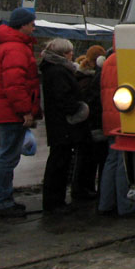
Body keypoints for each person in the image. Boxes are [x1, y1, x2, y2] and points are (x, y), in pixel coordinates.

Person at [0, 8, 41, 218]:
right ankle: (2, 202)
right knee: (8, 156)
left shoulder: (9, 46)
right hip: (12, 113)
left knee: (7, 155)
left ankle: (4, 199)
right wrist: (25, 111)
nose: (33, 27)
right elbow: (15, 85)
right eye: (31, 23)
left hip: (6, 111)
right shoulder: (16, 49)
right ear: (22, 25)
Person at [39, 38, 89, 214]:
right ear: (62, 54)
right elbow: (63, 97)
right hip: (64, 123)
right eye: (69, 52)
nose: (72, 55)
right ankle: (55, 202)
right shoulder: (59, 71)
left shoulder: (51, 69)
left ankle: (55, 200)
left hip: (58, 122)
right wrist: (79, 108)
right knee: (59, 163)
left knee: (59, 161)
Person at [97, 50, 135, 217]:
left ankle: (105, 204)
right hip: (124, 118)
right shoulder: (128, 58)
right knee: (124, 163)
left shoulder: (109, 61)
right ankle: (126, 205)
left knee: (112, 161)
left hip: (109, 117)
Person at [71, 45, 107, 199]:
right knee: (90, 159)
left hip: (86, 124)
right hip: (91, 124)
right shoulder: (90, 79)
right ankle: (84, 190)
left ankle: (84, 188)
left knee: (87, 159)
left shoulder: (80, 75)